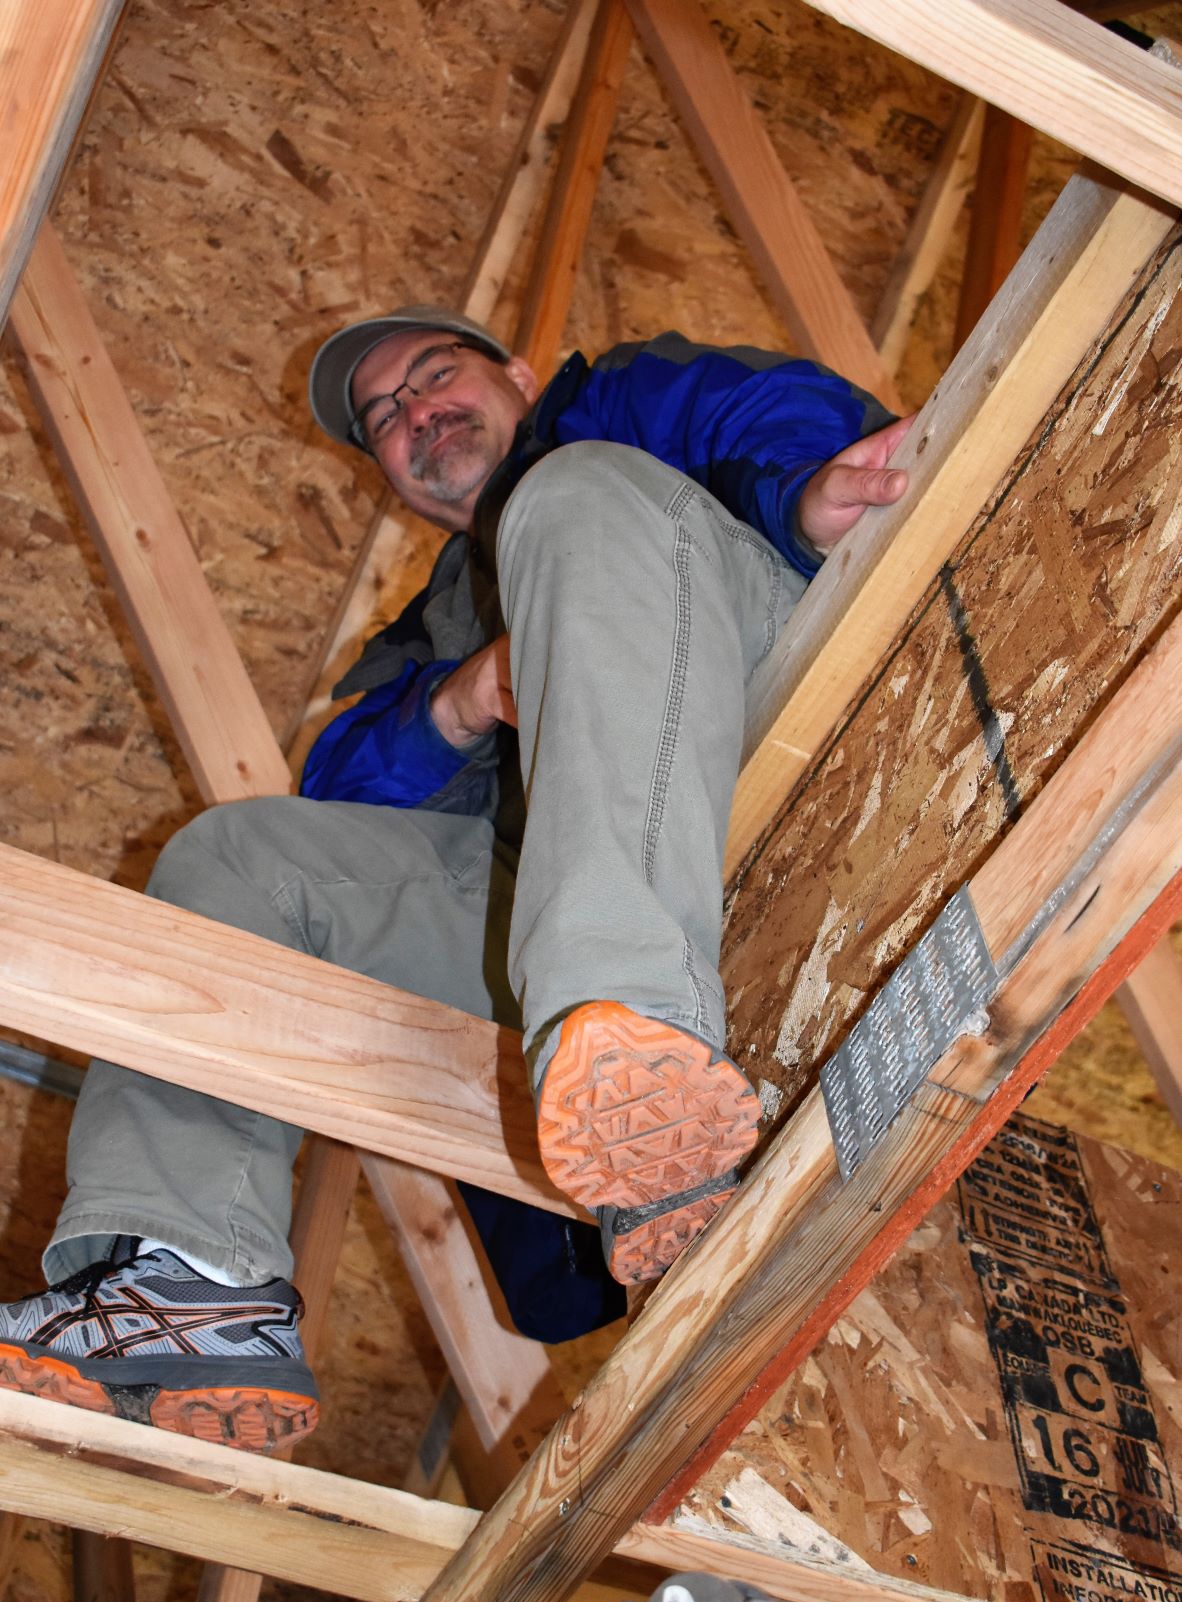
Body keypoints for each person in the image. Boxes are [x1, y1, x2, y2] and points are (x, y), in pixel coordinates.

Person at [0, 307, 910, 1452]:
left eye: (436, 377)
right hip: (582, 873)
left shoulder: (616, 408)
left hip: (782, 729)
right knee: (241, 859)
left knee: (574, 495)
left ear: (519, 376)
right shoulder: (428, 631)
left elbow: (767, 420)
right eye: (386, 419)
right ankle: (190, 1281)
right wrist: (461, 697)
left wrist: (803, 495)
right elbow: (342, 802)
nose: (418, 413)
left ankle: (639, 1038)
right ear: (386, 472)